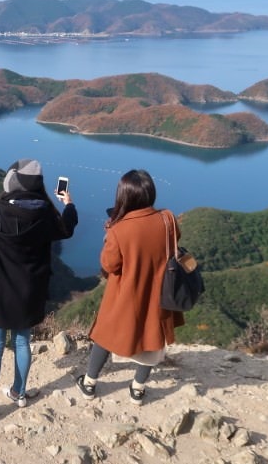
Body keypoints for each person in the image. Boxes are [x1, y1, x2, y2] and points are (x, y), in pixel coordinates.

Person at [0, 159, 78, 421]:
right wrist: (69, 203)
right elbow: (67, 229)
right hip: (32, 290)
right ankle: (19, 393)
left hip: (1, 290)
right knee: (22, 342)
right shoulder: (47, 214)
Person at [74, 169, 184, 405]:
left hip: (125, 294)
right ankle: (138, 389)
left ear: (124, 197)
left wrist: (109, 235)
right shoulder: (168, 219)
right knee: (152, 335)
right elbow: (175, 240)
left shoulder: (119, 229)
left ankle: (90, 383)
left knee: (105, 333)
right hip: (158, 292)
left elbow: (109, 264)